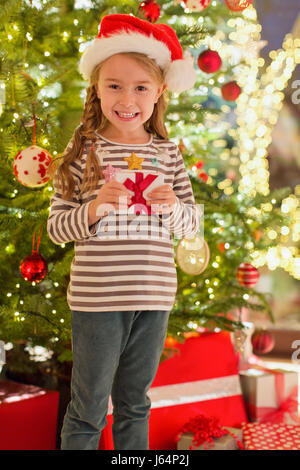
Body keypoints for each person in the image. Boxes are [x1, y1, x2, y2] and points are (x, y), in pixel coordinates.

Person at [47, 13, 200, 450]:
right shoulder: (82, 151)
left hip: (153, 297)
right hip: (98, 301)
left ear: (159, 93)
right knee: (89, 406)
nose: (127, 97)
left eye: (140, 87)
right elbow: (57, 228)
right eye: (114, 84)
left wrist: (172, 210)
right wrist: (94, 209)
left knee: (135, 402)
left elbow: (191, 226)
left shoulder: (168, 154)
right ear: (96, 87)